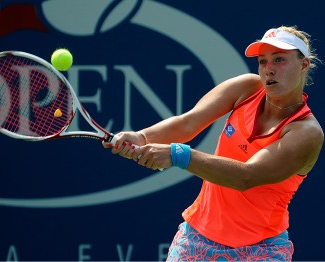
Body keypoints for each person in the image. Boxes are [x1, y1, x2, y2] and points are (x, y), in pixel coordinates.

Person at [103, 26, 324, 261]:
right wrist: (142, 137)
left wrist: (178, 155)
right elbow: (188, 123)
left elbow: (246, 176)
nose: (269, 70)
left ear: (304, 65)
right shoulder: (246, 88)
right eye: (262, 61)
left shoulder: (306, 132)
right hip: (196, 239)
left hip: (260, 251)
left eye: (279, 60)